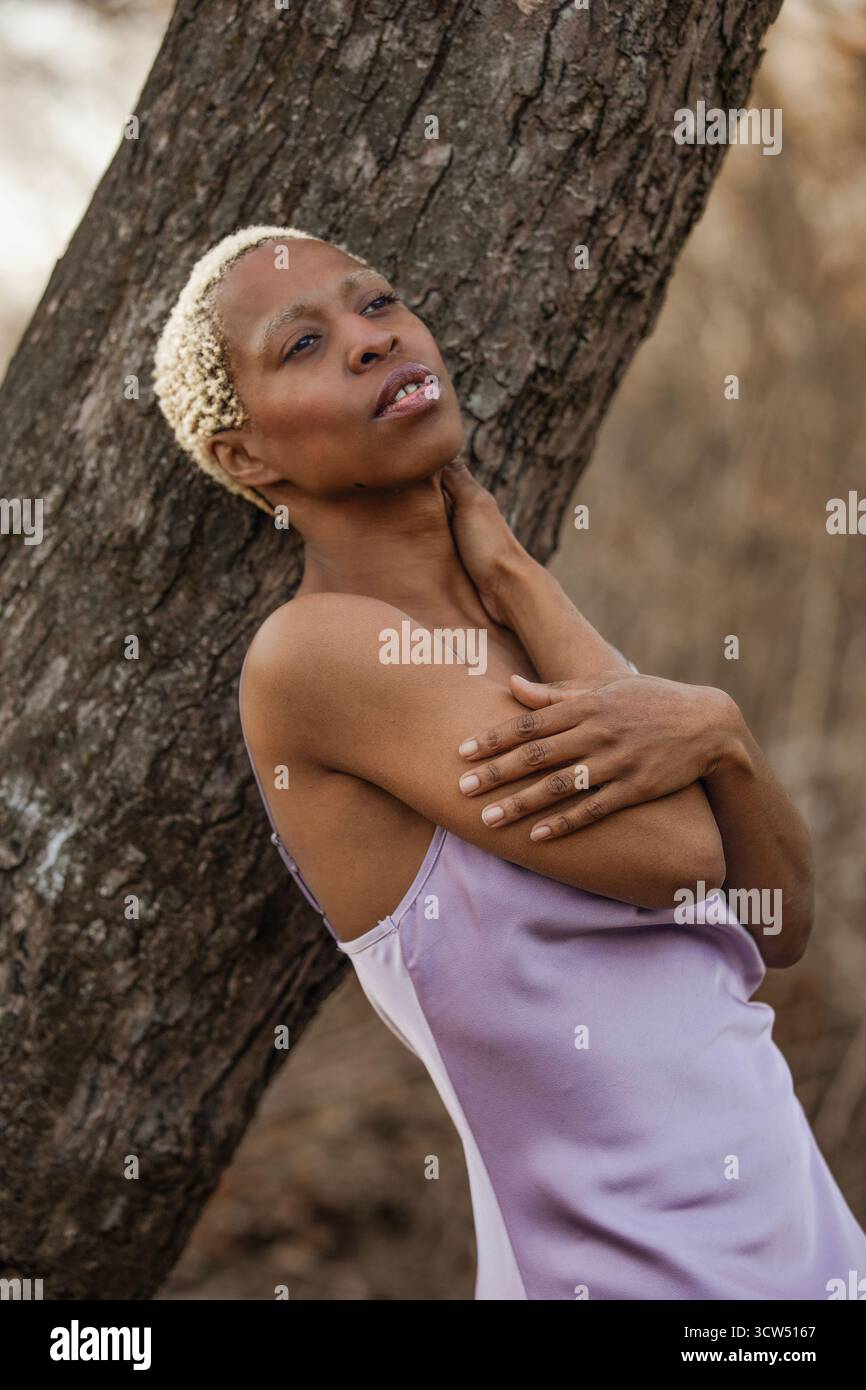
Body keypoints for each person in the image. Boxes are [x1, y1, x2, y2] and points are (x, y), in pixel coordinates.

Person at [153, 225, 866, 1300]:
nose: (369, 339)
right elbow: (682, 855)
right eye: (302, 344)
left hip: (804, 1251)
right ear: (245, 456)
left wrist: (535, 593)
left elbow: (777, 920)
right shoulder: (316, 656)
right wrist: (709, 724)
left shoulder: (524, 636)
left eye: (377, 302)